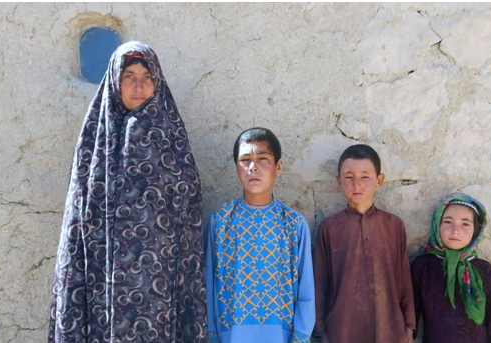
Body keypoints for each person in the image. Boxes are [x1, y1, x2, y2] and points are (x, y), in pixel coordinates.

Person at [48, 41, 207, 343]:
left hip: (158, 283)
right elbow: (78, 216)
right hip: (102, 282)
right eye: (129, 76)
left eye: (147, 77)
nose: (139, 86)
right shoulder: (95, 139)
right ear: (115, 81)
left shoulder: (172, 138)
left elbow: (187, 215)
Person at [205, 127, 315, 343]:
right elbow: (208, 285)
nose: (253, 167)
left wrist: (301, 337)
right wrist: (212, 336)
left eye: (263, 159)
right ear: (236, 167)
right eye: (245, 160)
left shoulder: (293, 224)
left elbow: (306, 289)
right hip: (231, 336)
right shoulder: (220, 222)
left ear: (278, 166)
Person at [313, 144, 415, 343]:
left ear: (379, 180)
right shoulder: (329, 229)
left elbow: (404, 279)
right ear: (338, 181)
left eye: (365, 176)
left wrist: (409, 327)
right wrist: (322, 332)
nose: (356, 184)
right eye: (349, 177)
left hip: (390, 330)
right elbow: (320, 285)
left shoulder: (394, 226)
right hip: (342, 331)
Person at [411, 193, 491, 343]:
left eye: (465, 224)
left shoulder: (484, 270)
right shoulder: (423, 266)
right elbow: (410, 317)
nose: (455, 230)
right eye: (448, 221)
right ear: (437, 225)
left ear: (476, 230)